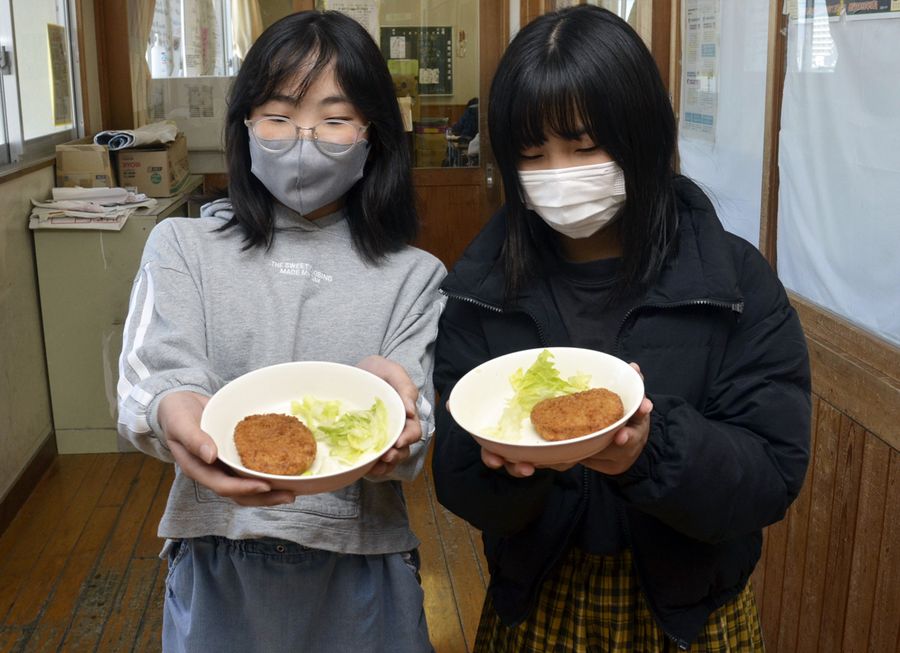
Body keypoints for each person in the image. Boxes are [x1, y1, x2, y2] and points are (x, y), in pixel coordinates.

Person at [431, 5, 810, 652]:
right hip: (537, 606)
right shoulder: (483, 288)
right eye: (532, 153)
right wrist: (510, 470)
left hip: (695, 617)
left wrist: (648, 450)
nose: (558, 176)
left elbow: (770, 476)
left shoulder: (733, 282)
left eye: (584, 147)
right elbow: (459, 480)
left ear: (645, 136)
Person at [117, 11, 445, 653]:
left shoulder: (414, 275)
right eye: (278, 114)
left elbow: (415, 427)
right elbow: (151, 378)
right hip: (216, 557)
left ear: (372, 134)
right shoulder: (181, 247)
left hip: (362, 568)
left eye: (334, 117)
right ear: (244, 125)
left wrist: (404, 425)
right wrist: (167, 406)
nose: (303, 138)